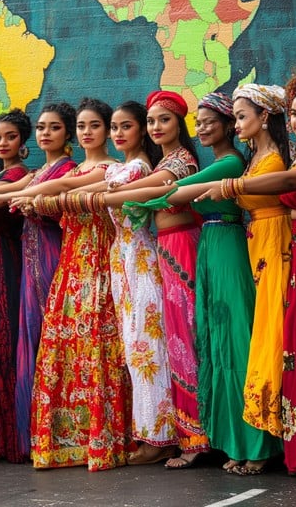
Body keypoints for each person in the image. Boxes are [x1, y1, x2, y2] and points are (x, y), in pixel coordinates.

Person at [124, 92, 282, 472]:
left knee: (236, 342)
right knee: (216, 343)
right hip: (211, 247)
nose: (204, 127)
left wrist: (123, 199)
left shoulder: (230, 161)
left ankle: (257, 447)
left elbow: (176, 192)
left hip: (227, 245)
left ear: (231, 124)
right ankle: (233, 444)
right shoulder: (222, 161)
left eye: (213, 121)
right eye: (201, 121)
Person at [195, 69, 296, 477]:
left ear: (265, 116)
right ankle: (289, 441)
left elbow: (286, 181)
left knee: (275, 338)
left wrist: (231, 188)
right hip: (266, 246)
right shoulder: (274, 157)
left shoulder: (285, 160)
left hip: (287, 244)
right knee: (282, 342)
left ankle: (269, 444)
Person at [92, 90, 210, 469]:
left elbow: (160, 188)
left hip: (176, 251)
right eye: (154, 120)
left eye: (165, 120)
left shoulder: (180, 161)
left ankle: (186, 437)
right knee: (148, 346)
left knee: (175, 344)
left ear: (180, 124)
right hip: (153, 253)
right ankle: (162, 432)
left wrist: (111, 192)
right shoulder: (164, 159)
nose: (158, 127)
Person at [66, 101, 177, 464]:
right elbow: (74, 184)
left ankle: (161, 437)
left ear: (140, 132)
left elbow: (86, 187)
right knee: (134, 348)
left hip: (142, 257)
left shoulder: (138, 168)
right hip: (122, 258)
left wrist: (67, 196)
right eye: (114, 127)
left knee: (147, 347)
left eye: (125, 127)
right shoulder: (124, 168)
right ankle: (149, 433)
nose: (117, 134)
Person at [0, 102, 77, 457]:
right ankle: (34, 434)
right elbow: (7, 194)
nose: (47, 133)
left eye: (54, 128)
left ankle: (62, 433)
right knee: (31, 337)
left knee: (49, 336)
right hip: (29, 251)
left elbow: (10, 195)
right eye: (43, 127)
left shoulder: (66, 169)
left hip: (50, 252)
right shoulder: (40, 172)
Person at [29, 98, 131, 471]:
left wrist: (34, 197)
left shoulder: (114, 169)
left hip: (102, 262)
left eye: (95, 126)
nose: (87, 133)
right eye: (82, 127)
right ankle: (65, 441)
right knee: (65, 348)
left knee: (100, 348)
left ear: (108, 130)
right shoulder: (72, 170)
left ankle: (104, 440)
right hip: (70, 266)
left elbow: (65, 189)